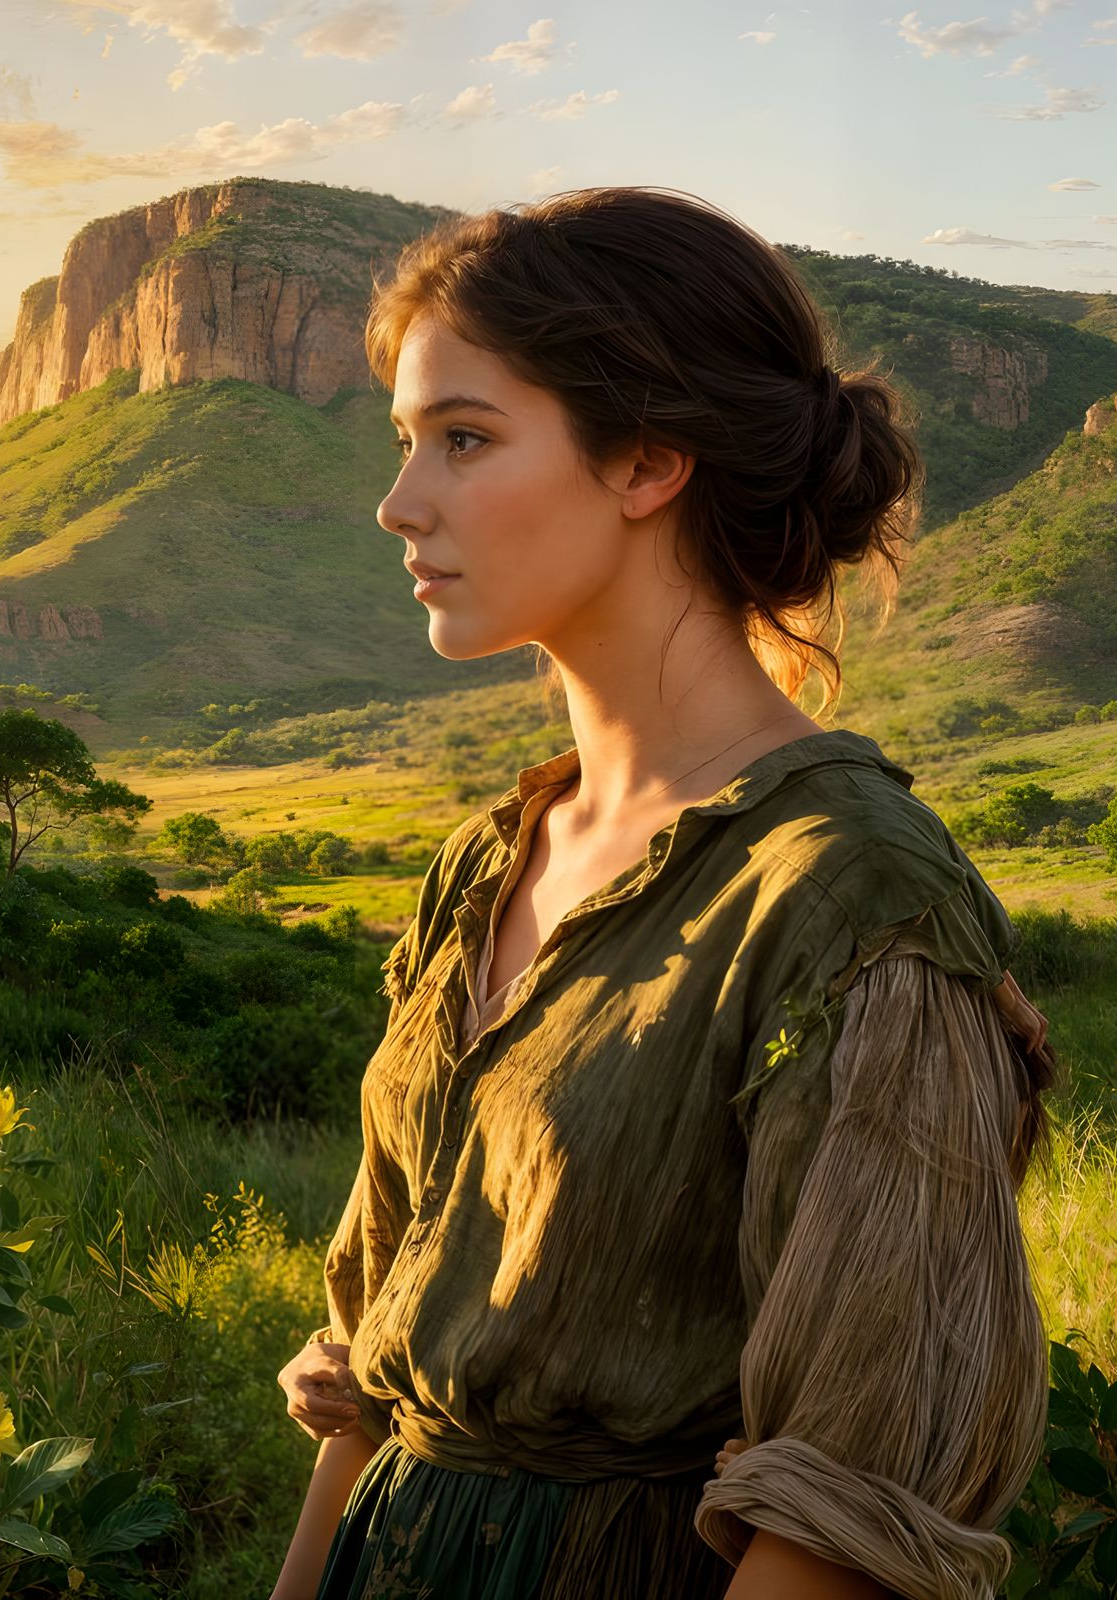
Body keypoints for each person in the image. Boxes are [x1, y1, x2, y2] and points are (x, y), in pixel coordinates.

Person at [269, 186, 1059, 1600]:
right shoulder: (487, 862)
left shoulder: (850, 895)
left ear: (645, 461)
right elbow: (387, 1353)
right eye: (407, 444)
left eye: (464, 439)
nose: (400, 504)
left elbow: (851, 1505)